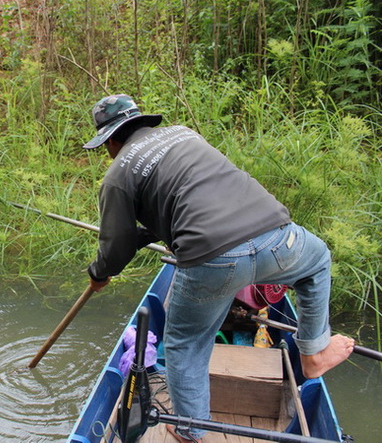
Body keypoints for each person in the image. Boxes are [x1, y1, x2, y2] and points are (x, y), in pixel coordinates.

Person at [83, 94, 355, 443]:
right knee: (317, 262)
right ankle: (313, 352)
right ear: (142, 123)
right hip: (276, 237)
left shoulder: (117, 175)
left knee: (184, 344)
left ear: (112, 139)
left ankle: (190, 429)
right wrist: (141, 236)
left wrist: (100, 272)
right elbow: (192, 199)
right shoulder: (184, 135)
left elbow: (115, 246)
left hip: (212, 260)